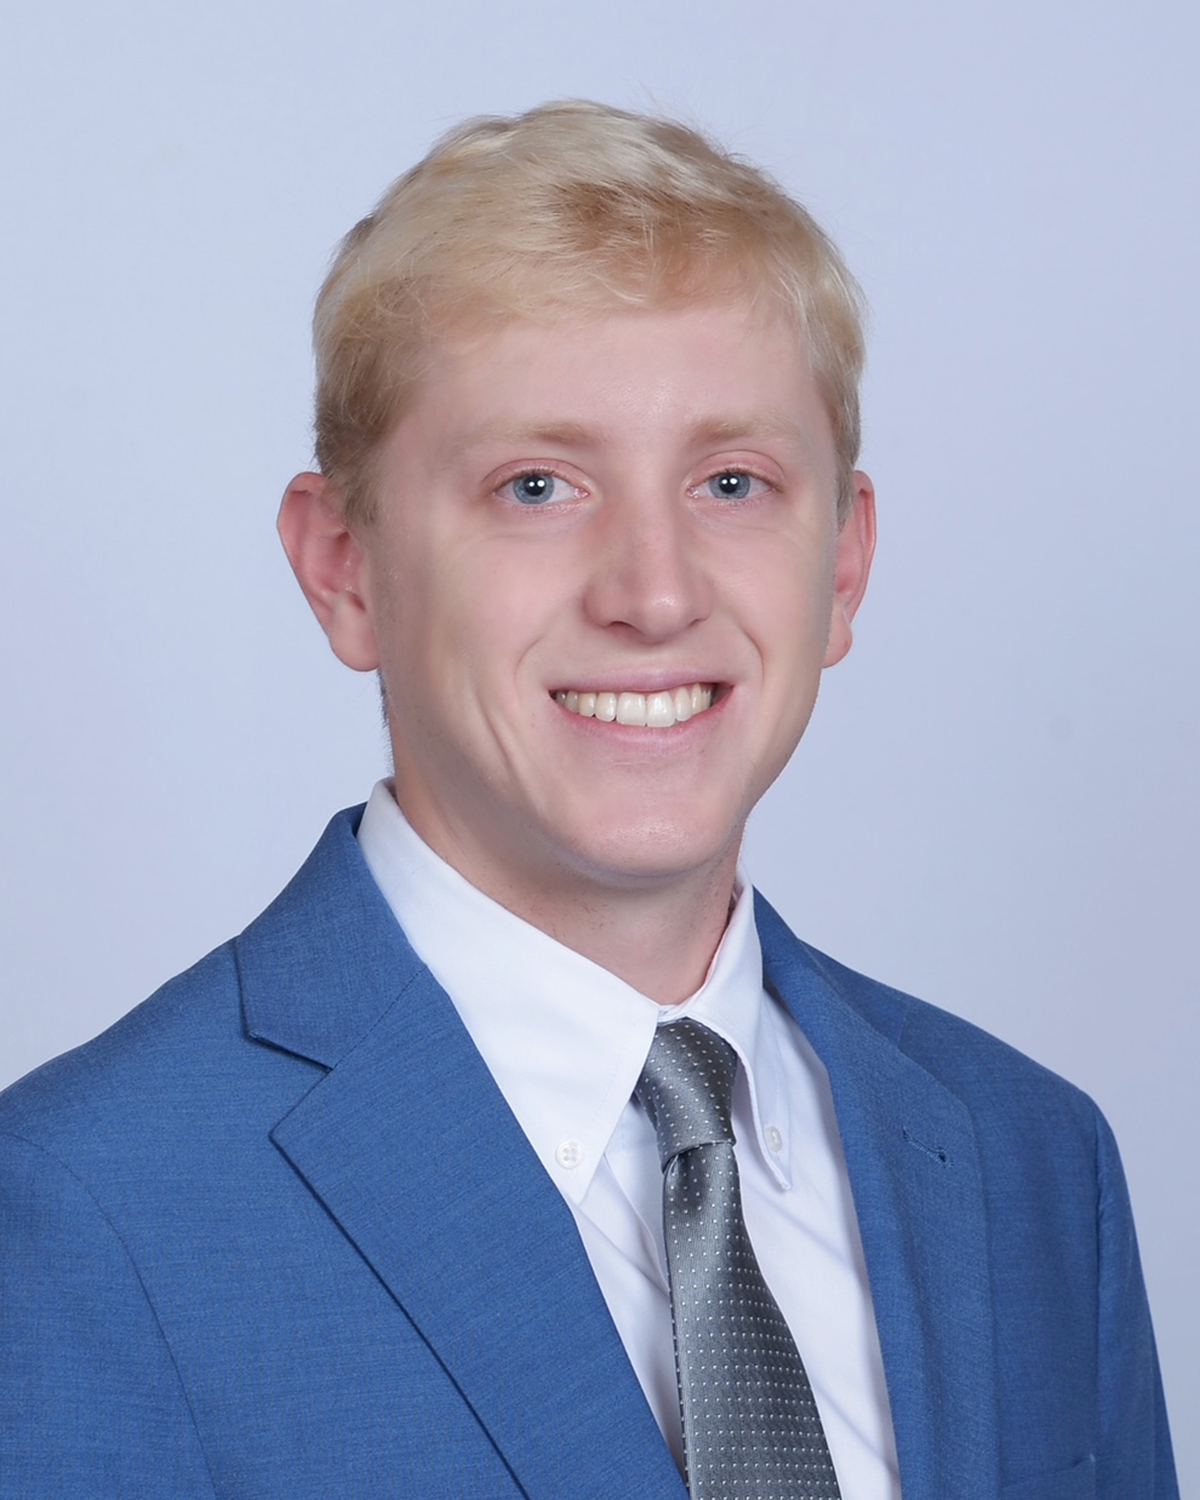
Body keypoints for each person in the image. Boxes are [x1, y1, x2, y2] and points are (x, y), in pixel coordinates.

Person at [0, 101, 1176, 1500]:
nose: (655, 593)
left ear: (844, 565)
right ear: (343, 566)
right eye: (537, 486)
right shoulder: (88, 1212)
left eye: (732, 481)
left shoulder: (1030, 1163)